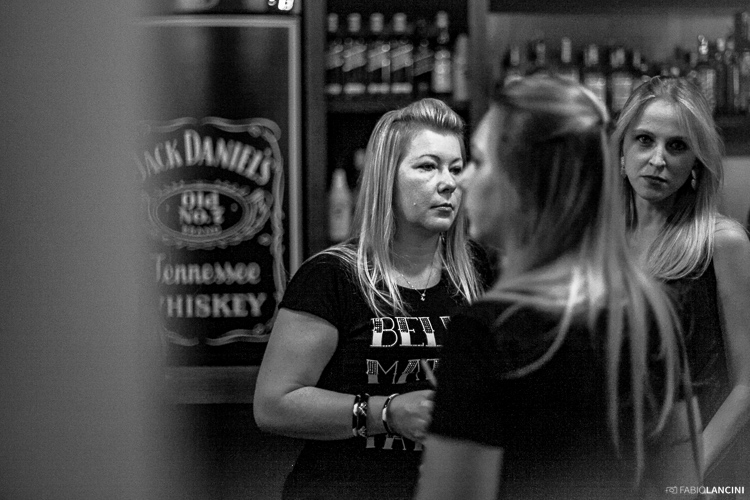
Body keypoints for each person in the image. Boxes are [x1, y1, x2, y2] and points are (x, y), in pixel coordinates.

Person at [415, 76, 702, 500]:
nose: (462, 180)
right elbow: (684, 487)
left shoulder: (485, 334)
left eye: (478, 160)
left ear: (526, 183)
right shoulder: (651, 313)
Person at [253, 98, 492, 500]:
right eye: (427, 166)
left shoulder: (476, 271)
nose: (449, 183)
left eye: (455, 168)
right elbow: (273, 405)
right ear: (386, 178)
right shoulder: (332, 275)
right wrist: (387, 412)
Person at [611, 76, 750, 488]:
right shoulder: (597, 243)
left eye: (677, 146)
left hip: (697, 469)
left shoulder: (721, 242)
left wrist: (686, 475)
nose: (658, 159)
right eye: (644, 140)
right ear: (621, 150)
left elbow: (746, 385)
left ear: (696, 163)